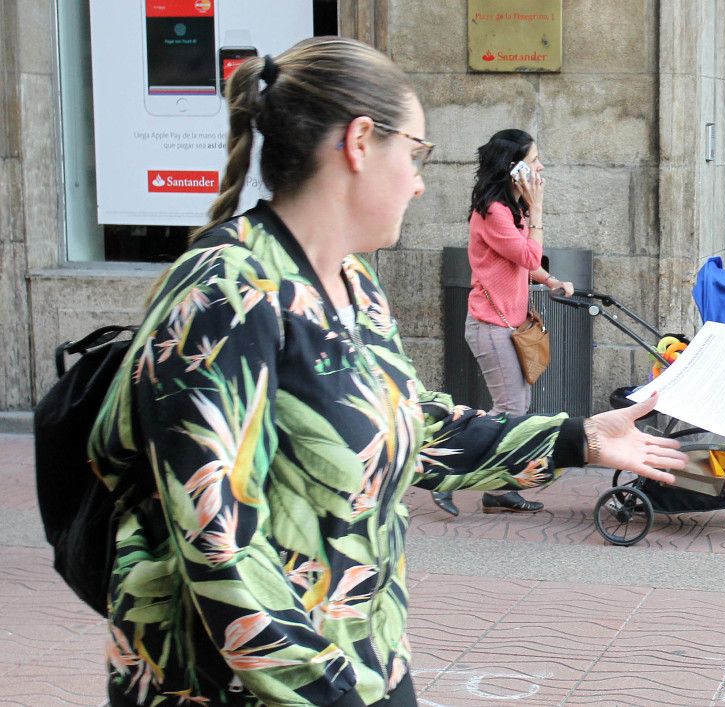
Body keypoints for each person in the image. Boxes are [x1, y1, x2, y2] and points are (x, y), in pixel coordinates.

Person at [88, 37, 686, 707]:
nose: (421, 178)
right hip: (251, 689)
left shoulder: (351, 280)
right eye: (416, 152)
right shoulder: (224, 294)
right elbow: (220, 545)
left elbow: (413, 425)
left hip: (359, 660)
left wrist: (576, 438)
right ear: (360, 143)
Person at [429, 129, 574, 517]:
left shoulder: (511, 208)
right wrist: (539, 208)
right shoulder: (493, 211)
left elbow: (518, 266)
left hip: (508, 323)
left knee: (515, 408)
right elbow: (528, 256)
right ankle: (443, 472)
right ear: (515, 167)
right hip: (490, 324)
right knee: (508, 409)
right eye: (535, 158)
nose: (542, 166)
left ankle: (500, 488)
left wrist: (550, 281)